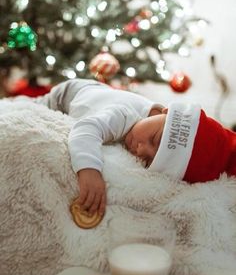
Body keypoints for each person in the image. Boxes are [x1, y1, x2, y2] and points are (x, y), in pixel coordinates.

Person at [15, 79, 236, 215]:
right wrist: (89, 170)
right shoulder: (123, 113)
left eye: (149, 160)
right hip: (70, 95)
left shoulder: (148, 128)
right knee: (24, 108)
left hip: (99, 94)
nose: (141, 149)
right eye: (154, 139)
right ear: (164, 112)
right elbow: (85, 129)